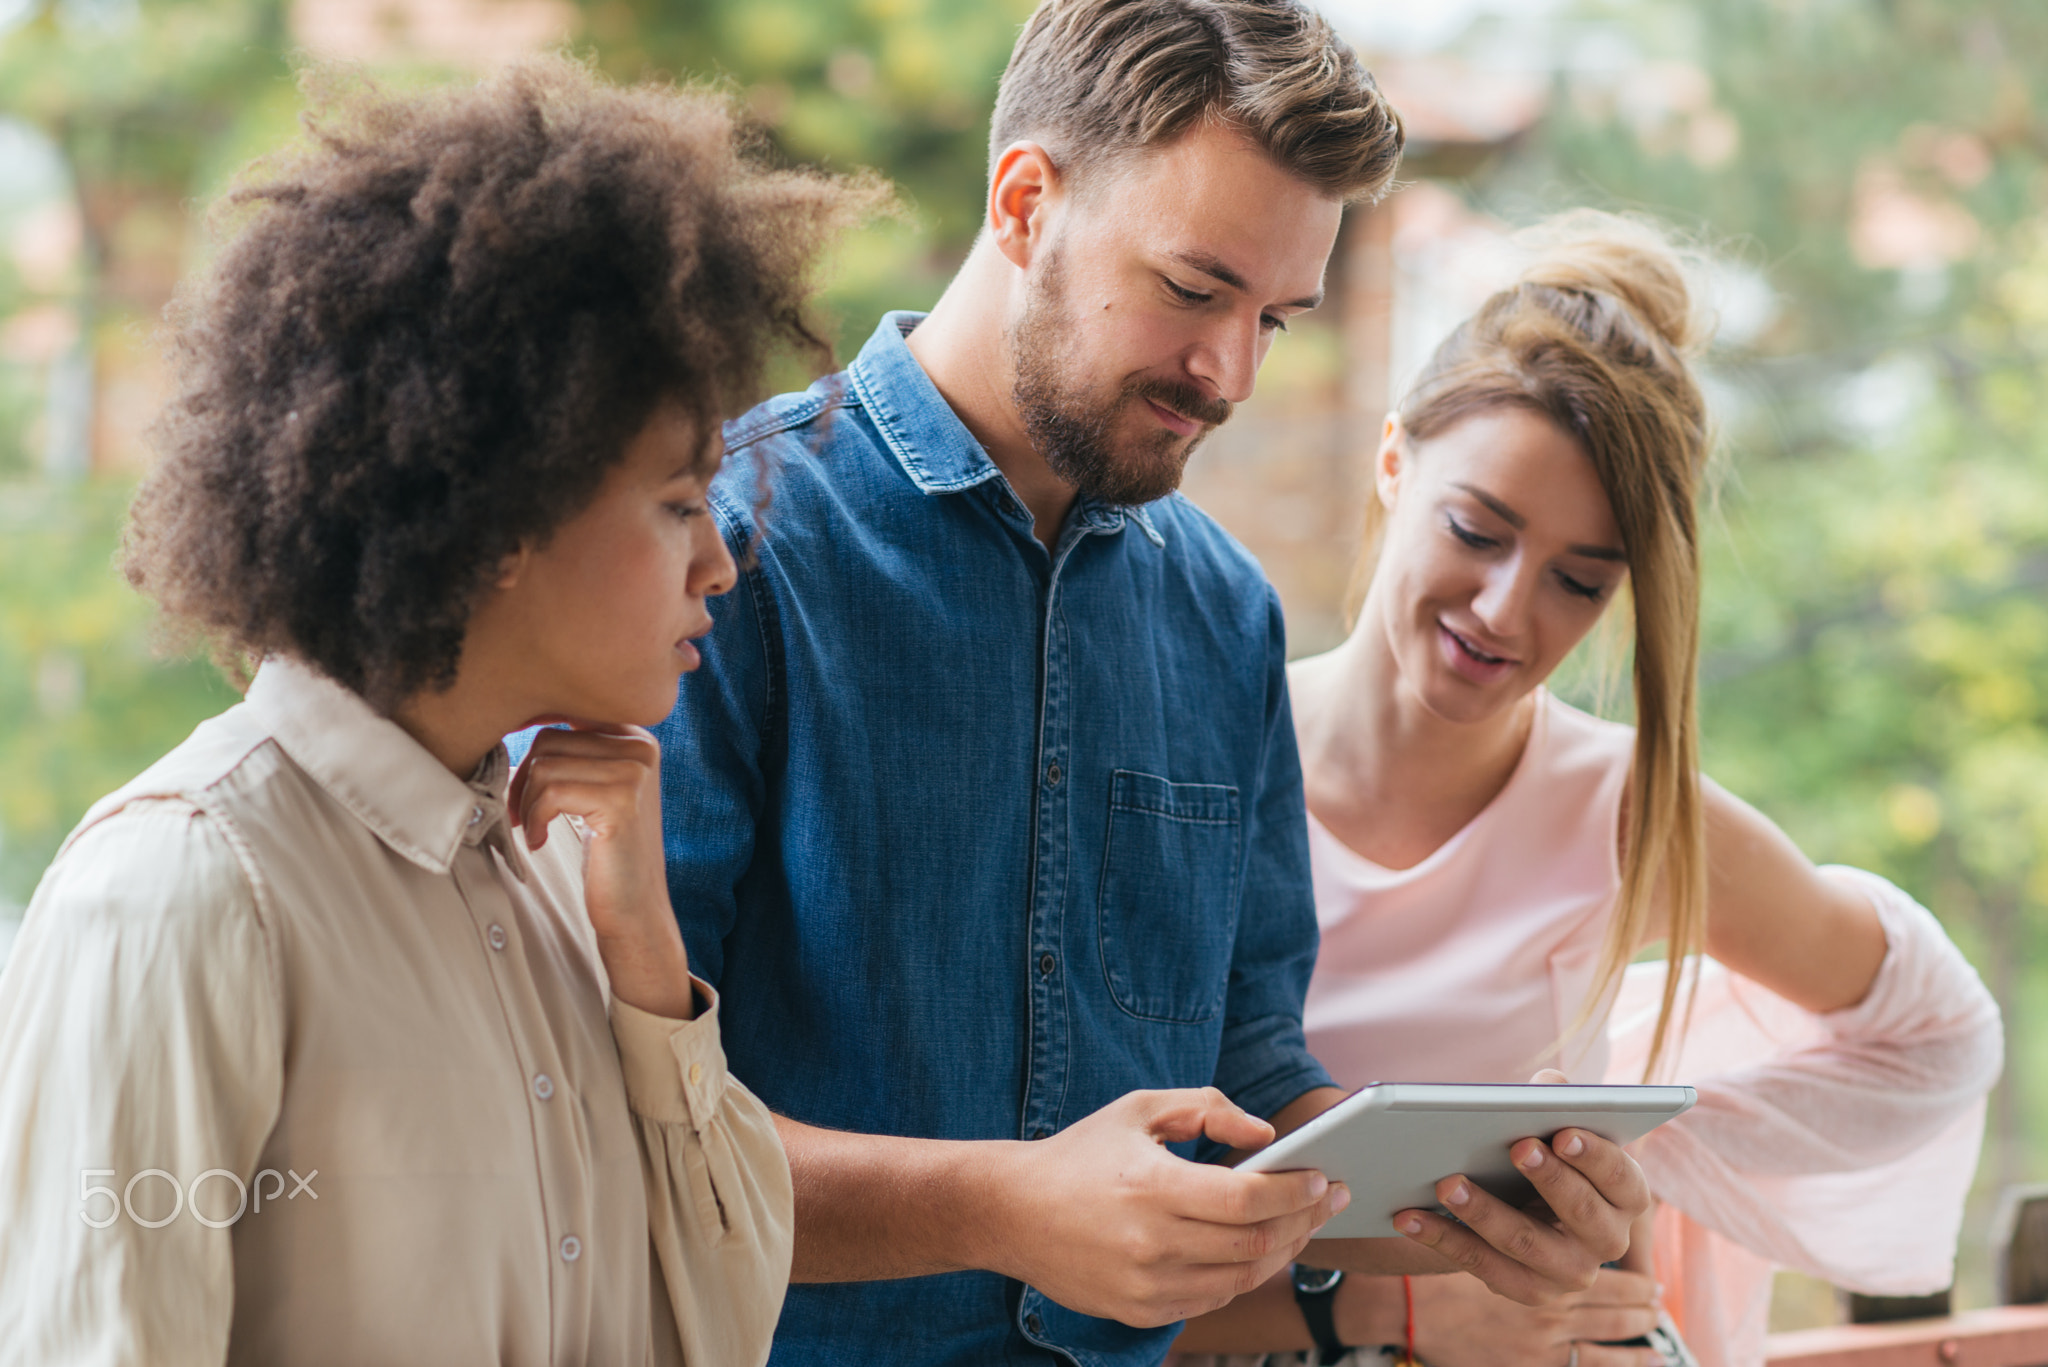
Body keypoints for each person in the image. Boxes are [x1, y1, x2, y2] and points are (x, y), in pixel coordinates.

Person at [647, 6, 1656, 1365]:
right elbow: (608, 1125)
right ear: (1024, 203)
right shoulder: (724, 547)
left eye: (1276, 318)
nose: (1228, 372)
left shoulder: (1223, 611)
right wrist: (1002, 1207)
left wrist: (1462, 1204)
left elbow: (1249, 1070)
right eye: (1193, 289)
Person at [0, 59, 883, 1366]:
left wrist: (645, 960)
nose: (721, 562)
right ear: (505, 509)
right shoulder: (184, 892)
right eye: (677, 503)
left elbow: (720, 1317)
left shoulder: (557, 876)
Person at [1167, 214, 2003, 1367]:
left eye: (1578, 579)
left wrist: (1634, 1149)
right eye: (1476, 530)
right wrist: (1393, 1308)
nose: (1506, 612)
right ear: (1393, 458)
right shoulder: (1178, 762)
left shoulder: (1618, 809)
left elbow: (1935, 1040)